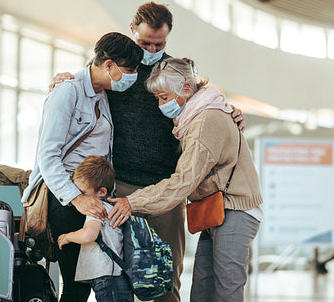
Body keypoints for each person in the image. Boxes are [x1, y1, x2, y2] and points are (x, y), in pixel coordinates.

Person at [51, 1, 245, 302]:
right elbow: (88, 82)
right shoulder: (119, 69)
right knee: (119, 279)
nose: (152, 49)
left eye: (159, 43)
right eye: (144, 42)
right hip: (120, 187)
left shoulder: (175, 72)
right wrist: (62, 80)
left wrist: (230, 111)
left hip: (167, 189)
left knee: (165, 280)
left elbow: (202, 99)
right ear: (132, 30)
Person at [109, 57, 263, 302]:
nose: (161, 105)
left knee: (227, 291)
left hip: (235, 210)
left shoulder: (205, 121)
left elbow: (183, 181)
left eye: (164, 97)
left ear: (187, 88)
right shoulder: (198, 112)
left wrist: (132, 202)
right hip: (216, 211)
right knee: (202, 289)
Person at [21, 32, 143, 302]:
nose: (133, 76)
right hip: (66, 197)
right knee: (77, 285)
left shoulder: (102, 95)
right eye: (129, 70)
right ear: (109, 65)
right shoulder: (68, 91)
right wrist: (76, 199)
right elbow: (48, 155)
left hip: (92, 197)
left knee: (89, 280)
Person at [57, 155, 133, 302]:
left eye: (83, 193)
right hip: (120, 275)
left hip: (106, 276)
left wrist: (68, 237)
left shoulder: (97, 209)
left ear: (102, 192)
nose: (80, 197)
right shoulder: (113, 208)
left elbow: (89, 235)